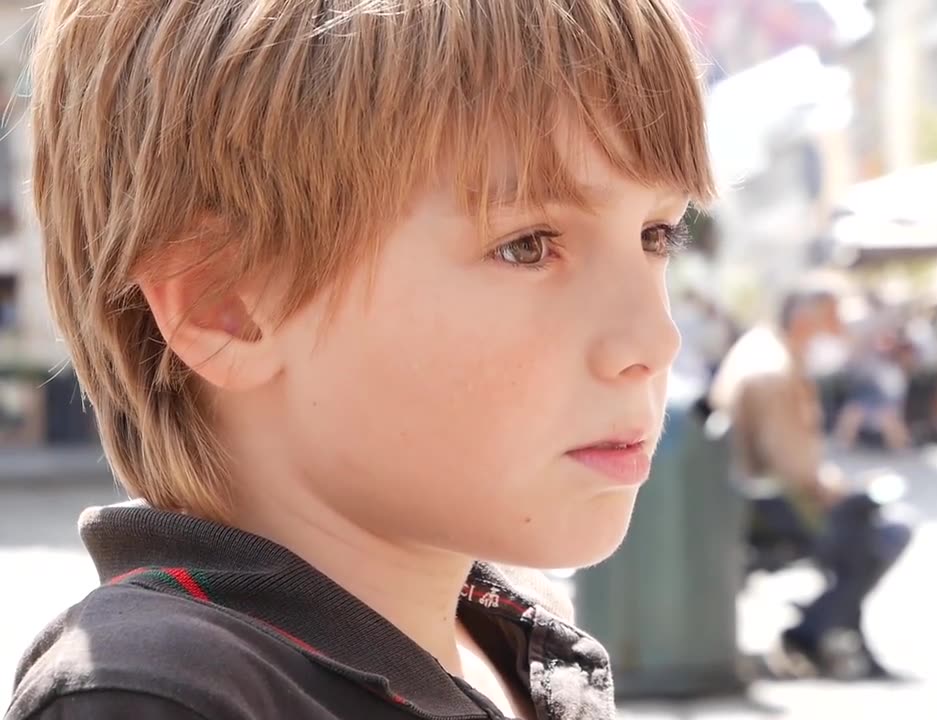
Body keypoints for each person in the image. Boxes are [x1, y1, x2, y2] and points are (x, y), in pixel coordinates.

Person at [6, 2, 713, 719]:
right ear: (226, 306)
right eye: (526, 245)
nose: (655, 343)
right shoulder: (163, 696)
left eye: (658, 234)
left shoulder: (512, 636)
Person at [710, 286, 912, 681]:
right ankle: (813, 631)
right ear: (807, 322)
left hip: (756, 500)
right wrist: (839, 490)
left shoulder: (765, 351)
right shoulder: (773, 367)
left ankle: (818, 627)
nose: (841, 332)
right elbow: (792, 466)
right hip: (770, 507)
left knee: (873, 522)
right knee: (888, 530)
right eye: (834, 321)